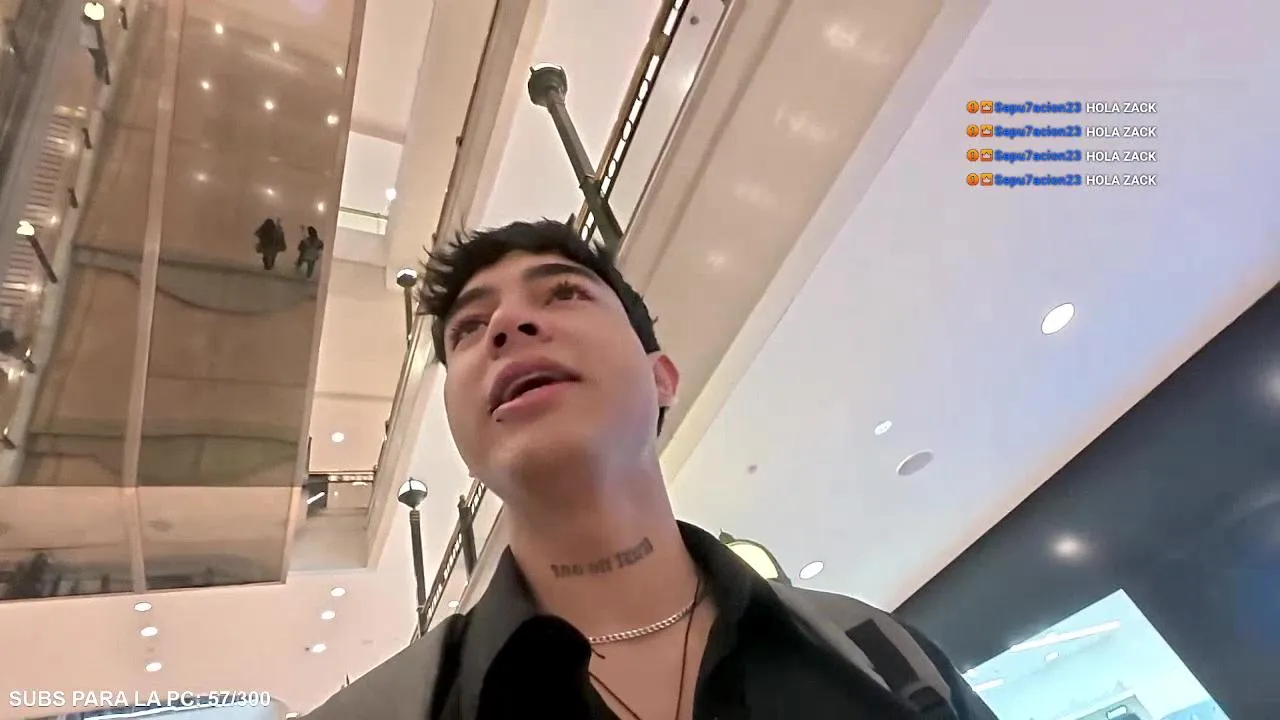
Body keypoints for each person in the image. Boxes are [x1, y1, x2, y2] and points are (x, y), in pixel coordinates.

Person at [305, 220, 995, 719]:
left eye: (562, 294)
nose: (506, 325)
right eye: (467, 329)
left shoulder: (888, 660)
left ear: (661, 378)